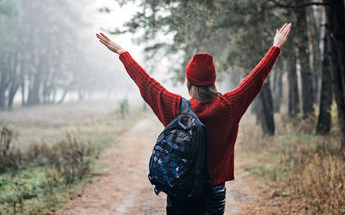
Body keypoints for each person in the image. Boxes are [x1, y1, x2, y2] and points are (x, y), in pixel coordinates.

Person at [96, 22, 291, 214]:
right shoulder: (229, 106)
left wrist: (122, 52)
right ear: (212, 81)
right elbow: (255, 79)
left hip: (180, 189)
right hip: (214, 191)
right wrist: (275, 47)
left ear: (188, 82)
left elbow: (146, 83)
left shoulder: (176, 108)